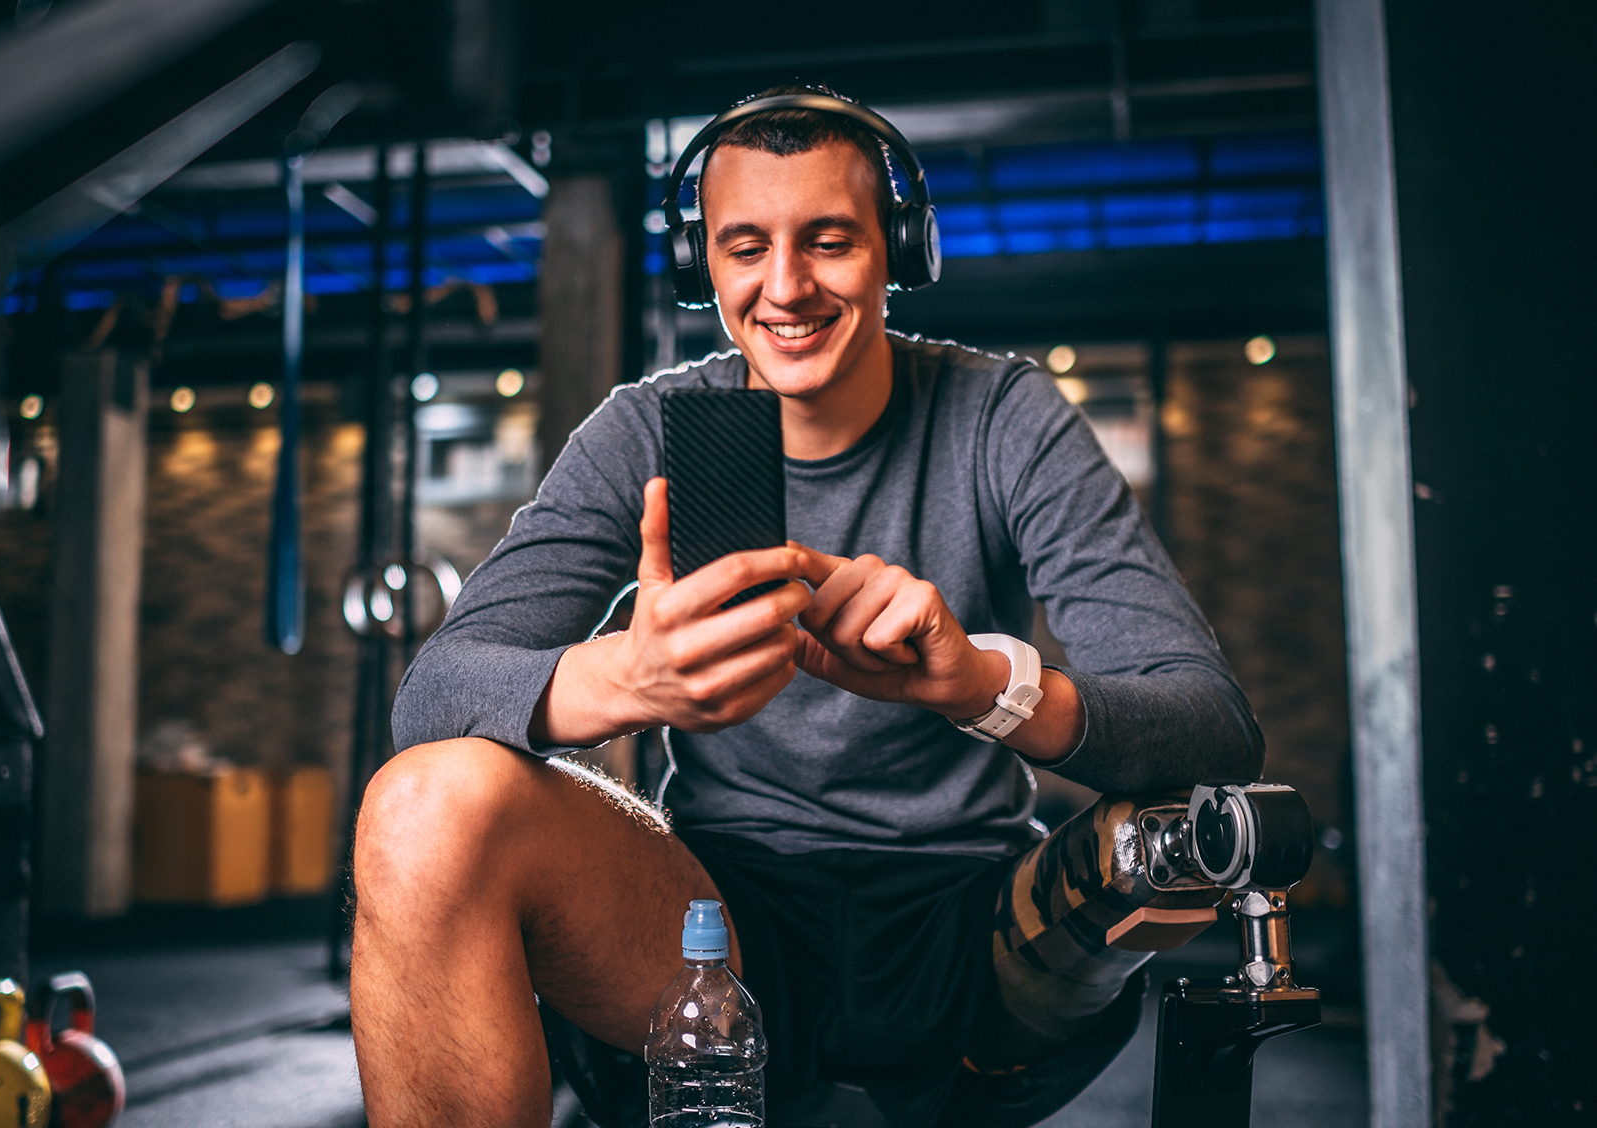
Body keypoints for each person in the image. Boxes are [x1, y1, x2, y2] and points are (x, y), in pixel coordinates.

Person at [350, 87, 1263, 1128]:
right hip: (710, 914)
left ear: (896, 251)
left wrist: (983, 686)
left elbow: (1213, 726)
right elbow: (430, 700)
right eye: (745, 248)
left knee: (1181, 831)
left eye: (828, 241)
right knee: (424, 805)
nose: (785, 287)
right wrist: (626, 679)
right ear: (705, 266)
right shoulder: (648, 429)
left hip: (959, 922)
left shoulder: (999, 417)